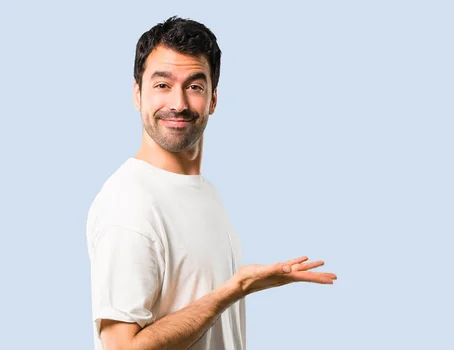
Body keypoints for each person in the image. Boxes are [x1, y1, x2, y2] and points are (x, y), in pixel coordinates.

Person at [85, 16, 337, 350]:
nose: (178, 103)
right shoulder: (128, 204)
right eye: (162, 85)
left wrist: (239, 288)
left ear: (213, 99)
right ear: (137, 94)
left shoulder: (203, 191)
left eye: (194, 86)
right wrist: (232, 290)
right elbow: (122, 348)